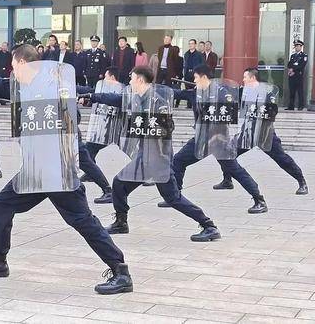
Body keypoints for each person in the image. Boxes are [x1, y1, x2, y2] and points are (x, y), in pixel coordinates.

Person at [0, 45, 133, 295]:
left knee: (82, 220)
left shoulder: (55, 87)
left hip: (58, 169)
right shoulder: (21, 87)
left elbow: (74, 117)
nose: (11, 73)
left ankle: (120, 270)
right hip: (35, 170)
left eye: (13, 67)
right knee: (2, 204)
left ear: (24, 64)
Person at [89, 66, 221, 243]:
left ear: (140, 80)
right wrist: (92, 96)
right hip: (144, 157)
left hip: (159, 157)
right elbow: (115, 98)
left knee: (172, 197)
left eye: (132, 79)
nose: (129, 82)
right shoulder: (136, 98)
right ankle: (121, 222)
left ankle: (209, 225)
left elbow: (168, 126)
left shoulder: (158, 101)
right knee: (119, 184)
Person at [166, 64, 268, 214]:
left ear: (203, 77)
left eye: (195, 77)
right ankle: (175, 197)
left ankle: (259, 200)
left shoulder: (221, 93)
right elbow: (177, 93)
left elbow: (229, 110)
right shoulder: (195, 93)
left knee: (234, 169)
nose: (194, 81)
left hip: (219, 139)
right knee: (179, 161)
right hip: (201, 139)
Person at [218, 67, 308, 195]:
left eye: (245, 77)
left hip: (265, 134)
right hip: (247, 134)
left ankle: (301, 181)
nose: (243, 80)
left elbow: (272, 110)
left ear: (252, 78)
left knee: (282, 159)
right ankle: (227, 180)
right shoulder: (243, 91)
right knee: (227, 152)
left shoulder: (267, 92)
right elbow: (228, 95)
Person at [78, 67, 122, 204]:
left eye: (106, 76)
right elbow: (92, 95)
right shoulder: (102, 88)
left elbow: (101, 98)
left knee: (85, 157)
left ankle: (108, 190)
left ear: (112, 77)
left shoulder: (119, 91)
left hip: (107, 129)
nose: (103, 80)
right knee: (87, 157)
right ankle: (95, 178)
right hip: (99, 129)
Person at [180, 39, 205, 108]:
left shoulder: (199, 54)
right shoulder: (186, 54)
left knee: (196, 90)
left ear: (195, 45)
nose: (190, 45)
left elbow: (202, 65)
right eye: (189, 44)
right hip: (187, 74)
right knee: (188, 90)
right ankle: (189, 105)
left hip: (195, 75)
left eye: (192, 43)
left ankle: (196, 105)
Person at [286, 39, 308, 111]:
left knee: (300, 92)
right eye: (295, 46)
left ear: (301, 47)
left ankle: (300, 106)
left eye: (298, 46)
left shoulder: (304, 56)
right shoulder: (293, 56)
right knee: (292, 91)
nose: (296, 47)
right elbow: (289, 64)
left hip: (298, 76)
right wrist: (290, 69)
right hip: (292, 76)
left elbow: (302, 65)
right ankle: (291, 106)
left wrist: (293, 69)